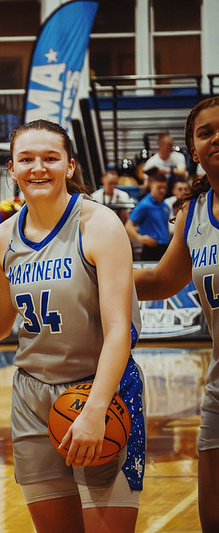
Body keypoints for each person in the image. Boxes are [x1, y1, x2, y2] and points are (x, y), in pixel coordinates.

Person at [0, 119, 145, 533]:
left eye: (50, 158)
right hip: (32, 397)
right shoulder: (3, 238)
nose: (39, 167)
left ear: (70, 166)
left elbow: (118, 331)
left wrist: (94, 410)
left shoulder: (100, 224)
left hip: (100, 391)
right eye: (27, 159)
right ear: (12, 170)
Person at [134, 95, 219, 531]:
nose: (215, 136)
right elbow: (162, 282)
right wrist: (94, 270)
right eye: (205, 132)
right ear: (193, 148)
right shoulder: (194, 212)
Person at [125, 170, 172, 261]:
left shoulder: (165, 205)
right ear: (151, 185)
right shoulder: (144, 204)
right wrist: (140, 238)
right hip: (150, 250)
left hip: (165, 248)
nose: (162, 191)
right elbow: (128, 225)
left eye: (164, 188)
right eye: (159, 187)